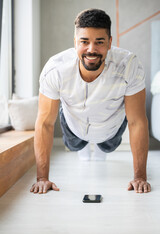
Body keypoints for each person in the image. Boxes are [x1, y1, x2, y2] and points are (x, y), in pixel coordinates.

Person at [30, 8, 151, 194]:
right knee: (75, 144)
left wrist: (140, 177)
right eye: (84, 42)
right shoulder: (55, 69)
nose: (91, 49)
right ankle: (84, 147)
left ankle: (99, 147)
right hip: (74, 123)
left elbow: (137, 122)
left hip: (110, 127)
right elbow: (45, 123)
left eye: (99, 42)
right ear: (75, 42)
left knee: (107, 147)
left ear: (110, 43)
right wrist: (42, 178)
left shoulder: (129, 65)